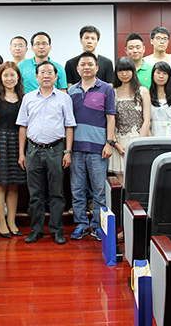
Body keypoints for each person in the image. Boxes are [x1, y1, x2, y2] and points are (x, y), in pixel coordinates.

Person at [17, 61, 76, 245]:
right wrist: (21, 153)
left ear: (56, 76)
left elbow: (69, 126)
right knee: (35, 194)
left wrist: (68, 151)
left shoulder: (64, 98)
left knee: (57, 193)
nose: (46, 76)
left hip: (56, 150)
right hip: (33, 150)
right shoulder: (28, 98)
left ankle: (57, 230)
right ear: (36, 77)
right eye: (42, 72)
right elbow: (22, 127)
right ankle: (36, 230)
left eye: (50, 72)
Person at [68, 52, 116, 241]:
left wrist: (109, 143)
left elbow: (110, 117)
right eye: (83, 64)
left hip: (98, 149)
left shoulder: (106, 89)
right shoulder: (71, 92)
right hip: (76, 149)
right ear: (77, 68)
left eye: (90, 64)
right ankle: (81, 224)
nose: (86, 67)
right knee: (77, 189)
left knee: (99, 191)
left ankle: (97, 225)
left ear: (96, 68)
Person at [0, 61, 26, 238]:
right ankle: (1, 222)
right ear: (0, 77)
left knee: (14, 185)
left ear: (18, 77)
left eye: (12, 75)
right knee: (0, 184)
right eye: (5, 75)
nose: (9, 78)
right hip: (1, 141)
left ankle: (12, 221)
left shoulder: (24, 98)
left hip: (18, 142)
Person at [108, 57, 151, 184]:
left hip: (139, 141)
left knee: (139, 182)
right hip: (119, 144)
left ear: (133, 71)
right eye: (121, 71)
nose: (124, 74)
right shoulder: (112, 92)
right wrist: (116, 144)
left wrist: (138, 144)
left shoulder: (143, 91)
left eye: (127, 70)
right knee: (123, 185)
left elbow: (147, 120)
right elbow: (110, 121)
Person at [149, 61, 171, 138]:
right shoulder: (148, 96)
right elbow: (146, 121)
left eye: (164, 73)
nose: (161, 76)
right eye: (158, 73)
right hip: (152, 138)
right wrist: (151, 141)